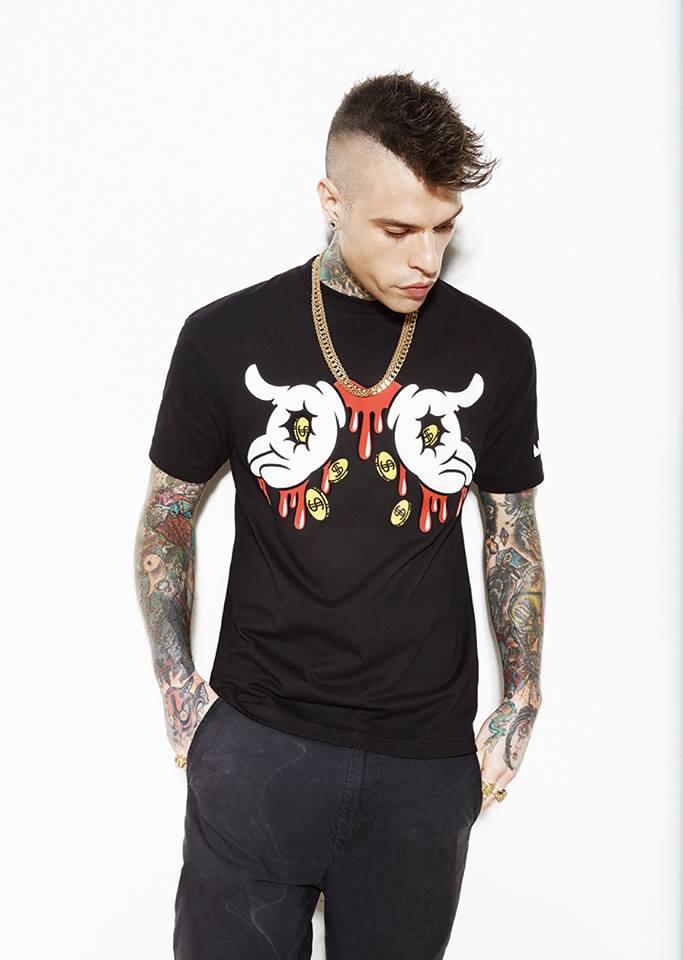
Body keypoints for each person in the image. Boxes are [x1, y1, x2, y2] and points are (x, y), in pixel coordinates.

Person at [134, 69, 546, 960]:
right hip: (258, 744)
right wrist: (178, 691)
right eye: (397, 230)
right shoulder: (224, 337)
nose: (425, 258)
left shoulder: (497, 350)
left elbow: (511, 533)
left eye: (443, 228)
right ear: (331, 201)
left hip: (424, 765)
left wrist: (521, 698)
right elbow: (167, 518)